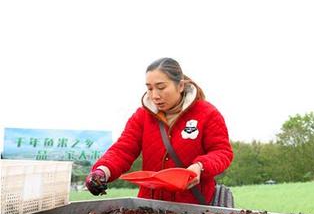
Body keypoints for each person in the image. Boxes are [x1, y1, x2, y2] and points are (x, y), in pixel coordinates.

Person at [85, 57, 234, 205]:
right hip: (150, 205)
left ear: (180, 85)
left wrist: (200, 166)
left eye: (161, 87)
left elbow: (222, 152)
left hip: (194, 205)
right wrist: (102, 171)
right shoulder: (142, 116)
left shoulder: (207, 113)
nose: (155, 95)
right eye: (149, 88)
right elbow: (123, 150)